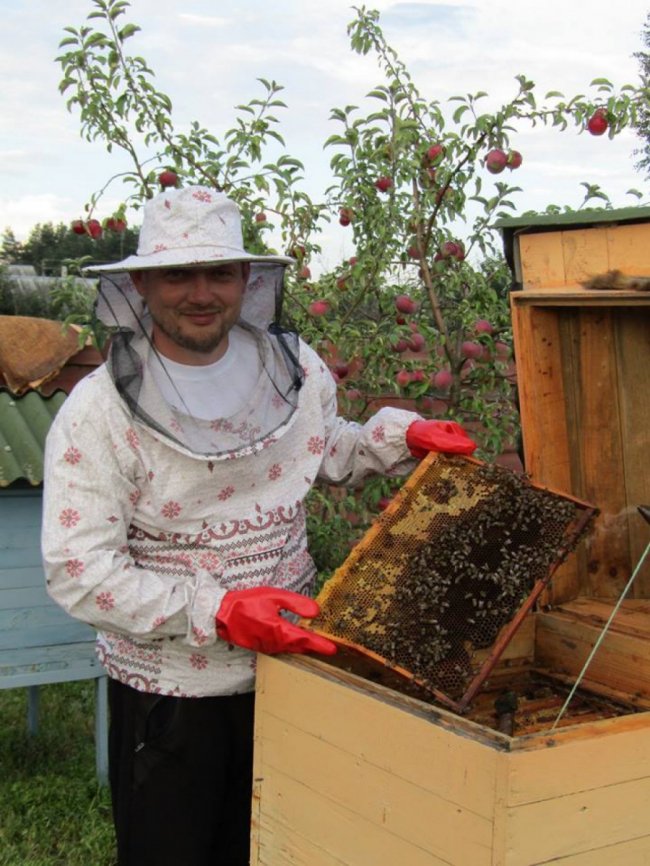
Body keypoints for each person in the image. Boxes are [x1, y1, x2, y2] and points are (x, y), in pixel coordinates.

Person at [41, 185, 476, 866]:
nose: (201, 294)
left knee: (283, 848)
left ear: (247, 278)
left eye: (219, 273)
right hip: (174, 694)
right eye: (178, 275)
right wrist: (218, 611)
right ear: (142, 284)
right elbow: (80, 573)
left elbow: (323, 448)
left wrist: (398, 437)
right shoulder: (96, 413)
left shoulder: (294, 367)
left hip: (294, 669)